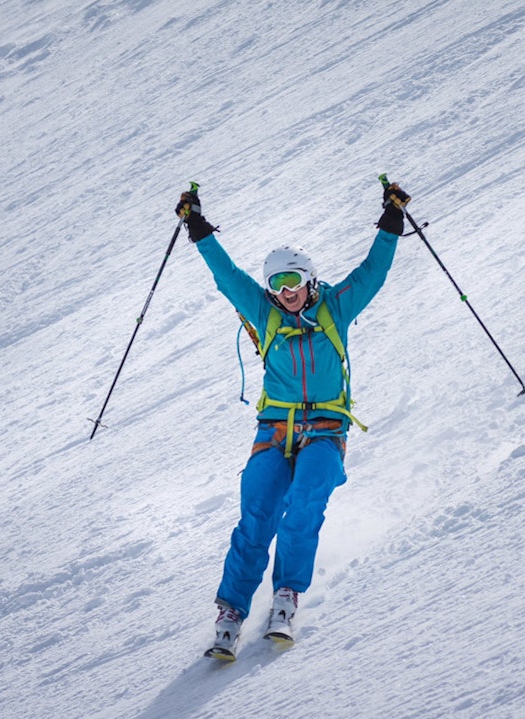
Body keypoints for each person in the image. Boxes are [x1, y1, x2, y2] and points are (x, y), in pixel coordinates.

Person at [175, 181, 411, 659]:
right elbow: (227, 276)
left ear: (309, 280)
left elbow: (373, 274)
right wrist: (197, 227)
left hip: (326, 428)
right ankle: (231, 613)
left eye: (293, 282)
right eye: (277, 285)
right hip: (275, 429)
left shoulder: (336, 308)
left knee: (304, 504)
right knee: (257, 514)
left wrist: (391, 222)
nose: (286, 293)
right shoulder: (264, 314)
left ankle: (286, 597)